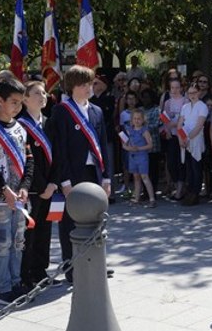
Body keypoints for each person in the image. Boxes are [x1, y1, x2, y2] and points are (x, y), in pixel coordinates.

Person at [48, 64, 112, 283]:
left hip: (93, 171)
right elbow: (60, 149)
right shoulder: (61, 112)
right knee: (69, 221)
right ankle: (72, 268)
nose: (89, 89)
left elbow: (103, 145)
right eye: (84, 85)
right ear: (72, 87)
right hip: (72, 175)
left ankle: (95, 265)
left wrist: (106, 176)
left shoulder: (96, 111)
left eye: (90, 84)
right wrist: (64, 180)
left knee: (95, 218)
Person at [0, 77, 33, 303]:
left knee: (18, 241)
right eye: (13, 102)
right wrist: (4, 189)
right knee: (3, 242)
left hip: (20, 197)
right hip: (1, 198)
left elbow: (29, 159)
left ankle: (16, 283)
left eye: (20, 102)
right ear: (0, 100)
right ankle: (2, 288)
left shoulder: (21, 128)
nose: (17, 106)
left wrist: (25, 187)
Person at [18, 79, 57, 288]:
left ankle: (41, 270)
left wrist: (53, 184)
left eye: (44, 93)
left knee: (46, 229)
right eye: (36, 94)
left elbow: (58, 155)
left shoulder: (49, 123)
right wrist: (42, 186)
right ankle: (27, 274)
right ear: (25, 99)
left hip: (51, 188)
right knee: (30, 232)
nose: (42, 97)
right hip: (33, 189)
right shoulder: (21, 125)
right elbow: (27, 161)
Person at [178, 81, 209, 206]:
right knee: (189, 167)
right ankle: (189, 191)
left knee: (196, 167)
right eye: (190, 93)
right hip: (185, 139)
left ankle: (195, 193)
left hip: (196, 139)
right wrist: (181, 138)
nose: (192, 95)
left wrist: (188, 138)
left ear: (199, 93)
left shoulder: (202, 106)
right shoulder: (185, 107)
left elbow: (199, 125)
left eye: (194, 92)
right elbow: (180, 123)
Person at [123, 108, 157, 207]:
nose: (136, 121)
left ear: (143, 120)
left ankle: (152, 199)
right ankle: (136, 198)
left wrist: (139, 148)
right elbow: (124, 144)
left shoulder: (144, 131)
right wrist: (128, 147)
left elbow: (150, 145)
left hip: (142, 156)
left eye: (139, 119)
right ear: (132, 120)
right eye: (135, 118)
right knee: (136, 177)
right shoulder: (129, 130)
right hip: (132, 156)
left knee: (145, 177)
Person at [161, 77, 187, 199]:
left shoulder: (185, 101)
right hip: (171, 135)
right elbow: (165, 119)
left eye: (177, 87)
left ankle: (181, 188)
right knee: (171, 162)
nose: (175, 90)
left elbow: (185, 118)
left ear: (181, 88)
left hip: (181, 135)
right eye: (172, 88)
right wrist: (167, 130)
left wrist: (175, 124)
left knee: (181, 161)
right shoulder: (167, 103)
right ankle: (177, 185)